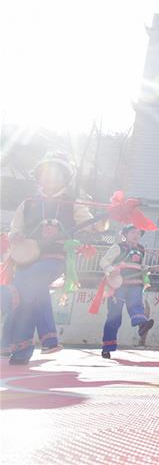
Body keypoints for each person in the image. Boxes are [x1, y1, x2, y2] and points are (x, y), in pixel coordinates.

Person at [4, 152, 105, 365]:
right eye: (46, 174)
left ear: (65, 178)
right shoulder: (29, 203)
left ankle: (35, 338)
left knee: (28, 284)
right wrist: (16, 236)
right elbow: (15, 229)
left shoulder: (73, 202)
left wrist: (105, 217)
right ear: (38, 177)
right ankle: (23, 350)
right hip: (27, 258)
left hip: (54, 257)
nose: (51, 178)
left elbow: (92, 224)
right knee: (27, 295)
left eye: (56, 174)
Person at [98, 225, 154, 358]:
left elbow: (141, 266)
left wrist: (147, 268)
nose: (136, 235)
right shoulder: (118, 247)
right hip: (118, 285)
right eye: (133, 232)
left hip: (136, 283)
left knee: (136, 306)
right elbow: (104, 261)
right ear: (125, 234)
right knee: (114, 315)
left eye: (139, 233)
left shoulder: (141, 249)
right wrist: (111, 270)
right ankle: (107, 346)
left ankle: (142, 325)